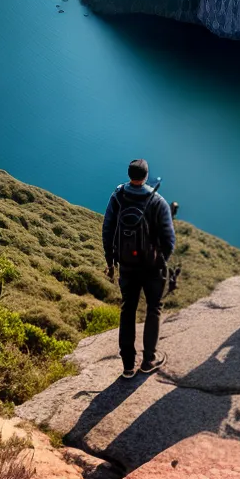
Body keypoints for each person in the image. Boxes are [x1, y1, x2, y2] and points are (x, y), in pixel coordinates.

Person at [103, 158, 176, 379]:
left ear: (129, 174)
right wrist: (161, 260)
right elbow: (169, 240)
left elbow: (107, 230)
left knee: (128, 310)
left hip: (126, 265)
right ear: (145, 176)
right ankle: (148, 361)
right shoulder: (157, 201)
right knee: (153, 309)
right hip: (152, 267)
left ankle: (127, 366)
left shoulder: (118, 197)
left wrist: (111, 261)